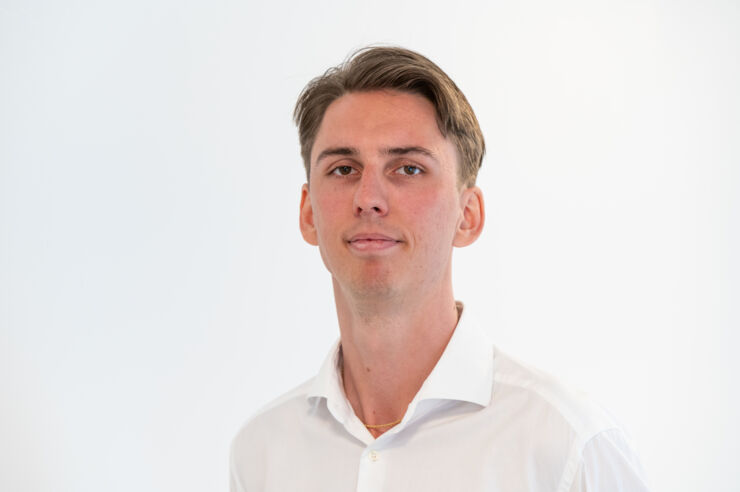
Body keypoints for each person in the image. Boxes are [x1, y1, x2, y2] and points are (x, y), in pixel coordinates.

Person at [230, 46, 650, 491]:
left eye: (408, 168)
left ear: (467, 215)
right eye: (343, 168)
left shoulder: (567, 447)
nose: (369, 196)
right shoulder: (262, 453)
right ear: (308, 212)